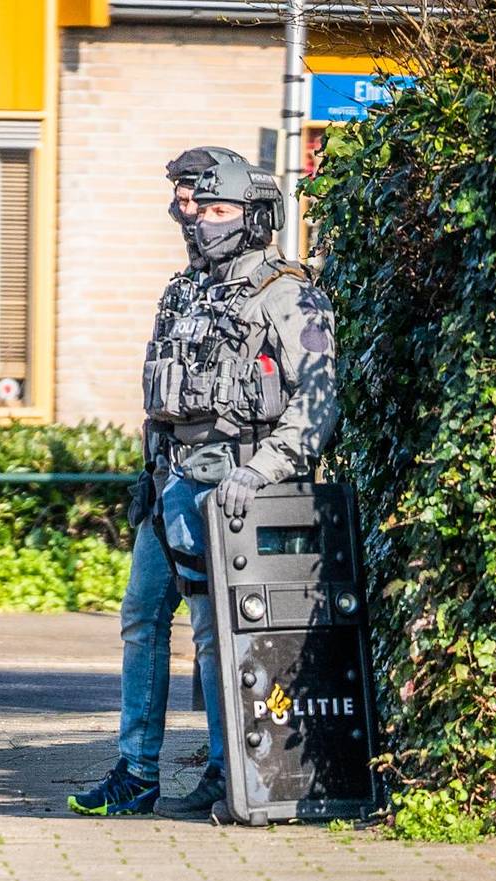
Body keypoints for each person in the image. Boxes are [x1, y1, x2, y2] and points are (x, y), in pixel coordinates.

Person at [148, 158, 340, 820]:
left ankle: (247, 776)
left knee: (225, 636)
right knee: (158, 625)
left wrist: (261, 471)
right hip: (173, 482)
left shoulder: (291, 296)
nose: (202, 222)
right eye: (199, 211)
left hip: (239, 492)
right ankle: (171, 769)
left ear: (258, 218)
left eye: (220, 211)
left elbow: (318, 402)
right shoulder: (193, 291)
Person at [67, 146, 245, 818]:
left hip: (217, 486)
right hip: (167, 483)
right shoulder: (182, 288)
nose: (183, 209)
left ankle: (231, 772)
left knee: (208, 631)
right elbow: (161, 394)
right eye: (179, 197)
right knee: (141, 619)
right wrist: (149, 474)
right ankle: (137, 771)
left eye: (194, 197)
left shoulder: (261, 288)